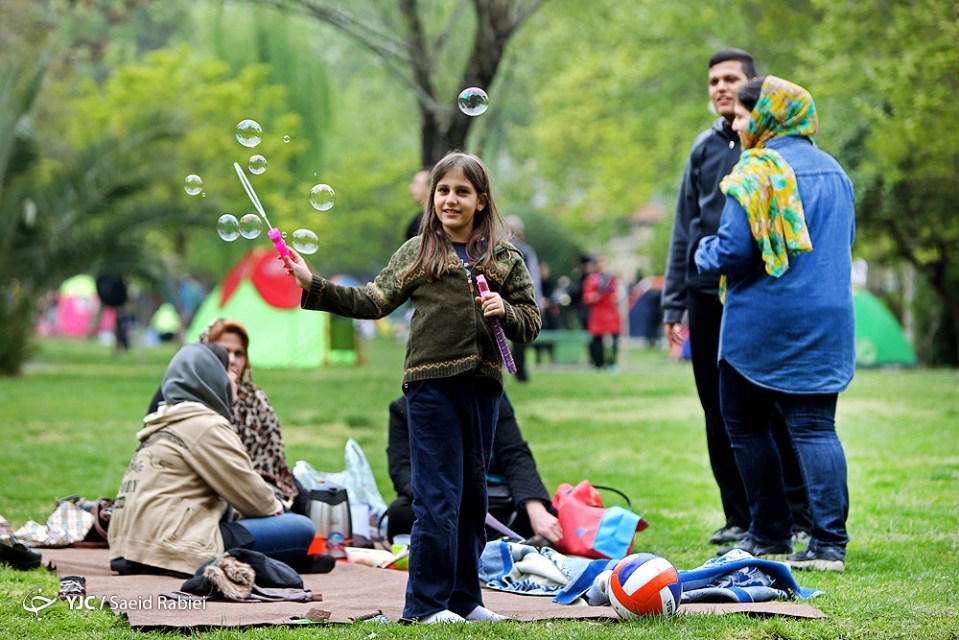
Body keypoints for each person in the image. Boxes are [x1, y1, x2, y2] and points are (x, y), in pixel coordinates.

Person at [284, 151, 541, 623]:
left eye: (462, 191)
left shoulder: (505, 259)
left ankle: (465, 600)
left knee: (473, 498)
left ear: (482, 201)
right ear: (432, 198)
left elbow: (530, 322)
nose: (450, 199)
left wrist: (505, 311)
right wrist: (312, 283)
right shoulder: (418, 252)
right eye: (443, 190)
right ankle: (425, 605)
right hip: (430, 388)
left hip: (483, 389)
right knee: (438, 496)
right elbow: (372, 300)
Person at [694, 75, 855, 572]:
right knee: (816, 428)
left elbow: (734, 252)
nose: (738, 126)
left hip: (762, 324)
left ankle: (768, 535)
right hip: (828, 320)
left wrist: (702, 252)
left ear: (766, 116)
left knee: (745, 425)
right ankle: (828, 545)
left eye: (744, 116)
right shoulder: (836, 172)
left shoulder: (756, 172)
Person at [661, 48, 810, 546]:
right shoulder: (703, 149)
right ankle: (739, 516)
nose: (721, 88)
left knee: (771, 404)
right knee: (716, 407)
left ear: (751, 87)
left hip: (756, 292)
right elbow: (684, 229)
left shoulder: (772, 150)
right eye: (714, 81)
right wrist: (673, 302)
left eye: (730, 79)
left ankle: (795, 514)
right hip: (705, 294)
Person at [110, 343, 315, 577]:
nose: (235, 379)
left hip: (129, 549)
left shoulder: (164, 422)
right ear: (212, 377)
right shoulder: (206, 425)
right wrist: (277, 507)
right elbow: (257, 501)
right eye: (230, 372)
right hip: (171, 547)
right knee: (300, 528)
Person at [147, 318, 307, 515]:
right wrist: (272, 507)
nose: (231, 360)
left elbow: (275, 467)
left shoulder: (256, 400)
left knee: (304, 498)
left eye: (239, 354)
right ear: (204, 354)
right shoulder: (183, 401)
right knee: (295, 525)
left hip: (252, 483)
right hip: (205, 497)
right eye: (224, 352)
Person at [385, 394, 562, 545]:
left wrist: (536, 510)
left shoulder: (491, 397)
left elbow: (515, 454)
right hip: (439, 501)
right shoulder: (406, 407)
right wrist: (438, 496)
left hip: (490, 500)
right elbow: (402, 469)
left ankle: (473, 542)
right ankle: (497, 542)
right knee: (400, 513)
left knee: (546, 515)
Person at [505, 215, 543, 382]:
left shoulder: (496, 248)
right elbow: (534, 278)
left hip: (499, 299)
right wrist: (537, 300)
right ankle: (520, 373)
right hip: (519, 298)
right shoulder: (526, 251)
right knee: (520, 335)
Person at [583, 256, 622, 370]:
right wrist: (594, 297)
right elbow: (587, 297)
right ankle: (598, 363)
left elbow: (617, 295)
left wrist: (615, 298)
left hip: (610, 312)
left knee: (614, 338)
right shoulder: (592, 279)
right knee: (597, 340)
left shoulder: (612, 279)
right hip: (598, 313)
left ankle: (612, 362)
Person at [404, 167, 432, 240]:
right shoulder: (416, 222)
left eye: (416, 183)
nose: (411, 187)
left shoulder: (436, 223)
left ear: (430, 187)